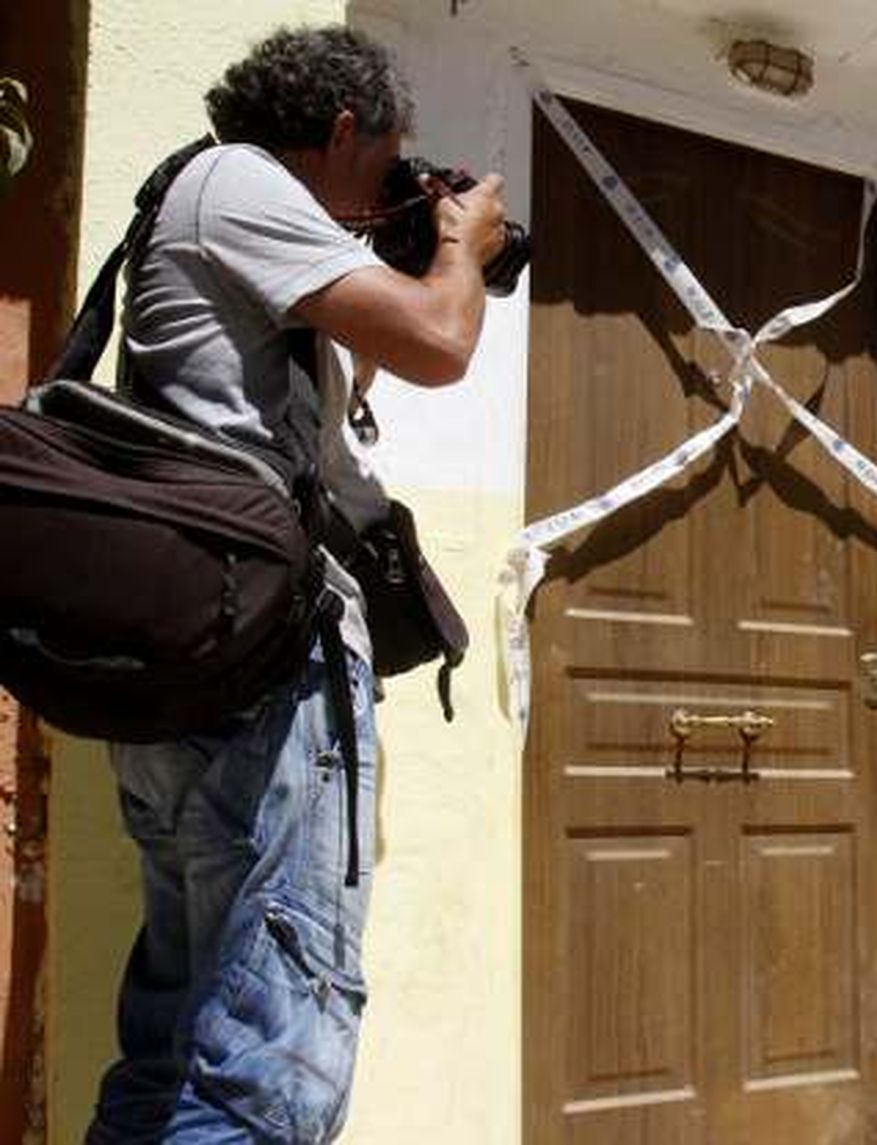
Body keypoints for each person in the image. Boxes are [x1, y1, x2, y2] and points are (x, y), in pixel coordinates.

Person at [86, 25, 506, 1143]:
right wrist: (461, 245)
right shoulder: (243, 182)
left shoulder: (201, 199)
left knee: (175, 1048)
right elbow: (440, 339)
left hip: (194, 672)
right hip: (265, 683)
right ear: (339, 131)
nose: (379, 204)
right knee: (268, 1063)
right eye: (381, 173)